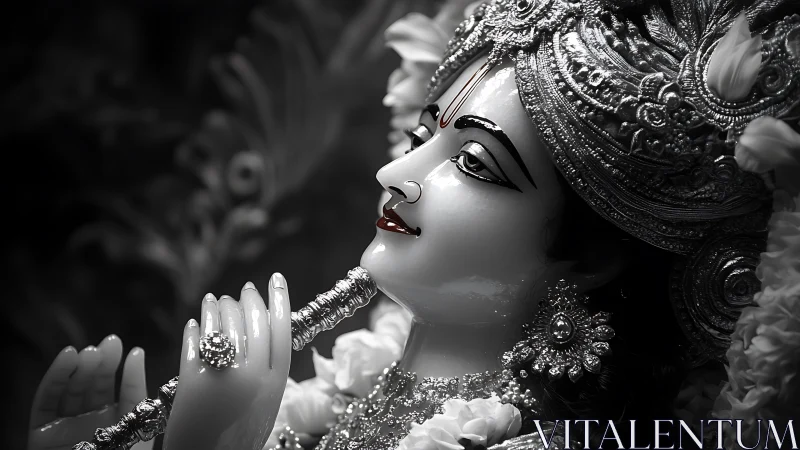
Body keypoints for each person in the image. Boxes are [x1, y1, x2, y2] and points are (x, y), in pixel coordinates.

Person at [28, 0, 800, 449]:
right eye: (422, 136)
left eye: (473, 165)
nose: (395, 173)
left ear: (590, 257)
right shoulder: (344, 390)